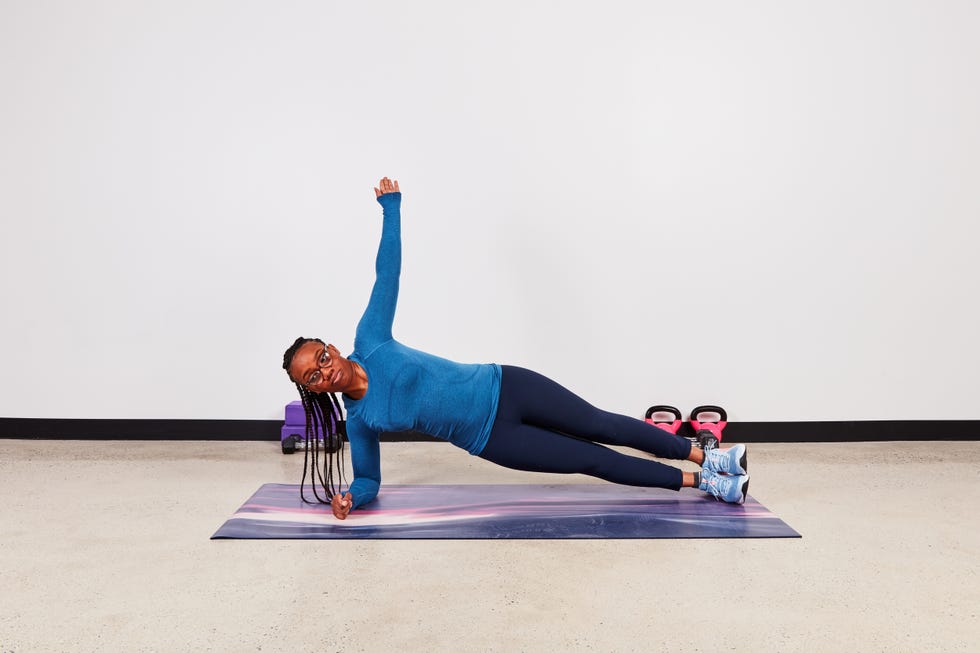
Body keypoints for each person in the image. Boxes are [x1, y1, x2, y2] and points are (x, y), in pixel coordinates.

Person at [282, 177, 750, 520]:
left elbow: (388, 275)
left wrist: (391, 207)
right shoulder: (361, 420)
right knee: (593, 459)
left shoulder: (372, 340)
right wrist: (352, 498)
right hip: (491, 439)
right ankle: (701, 482)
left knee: (599, 422)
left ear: (334, 348)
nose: (323, 371)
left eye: (321, 358)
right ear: (312, 389)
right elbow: (368, 480)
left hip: (505, 384)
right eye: (312, 376)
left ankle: (706, 456)